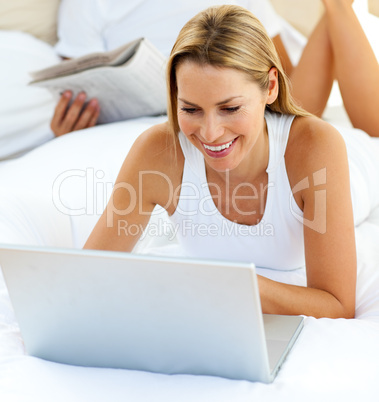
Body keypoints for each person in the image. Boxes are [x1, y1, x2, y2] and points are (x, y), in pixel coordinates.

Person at [84, 4, 379, 318]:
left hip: (358, 158)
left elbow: (336, 304)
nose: (210, 133)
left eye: (230, 108)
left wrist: (228, 284)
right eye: (191, 109)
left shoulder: (319, 147)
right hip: (273, 135)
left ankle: (342, 7)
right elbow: (84, 277)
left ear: (271, 87)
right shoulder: (157, 152)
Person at [50, 0, 294, 137]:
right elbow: (75, 83)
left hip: (220, 127)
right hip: (120, 133)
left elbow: (287, 85)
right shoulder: (86, 5)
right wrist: (69, 130)